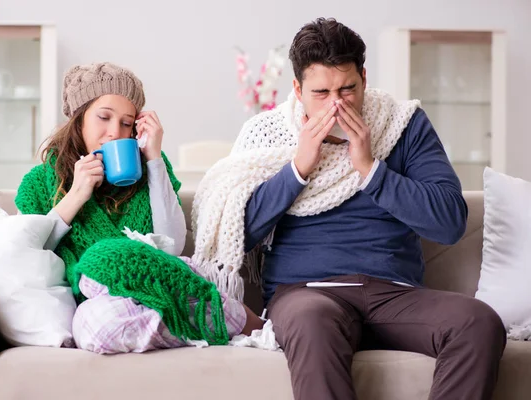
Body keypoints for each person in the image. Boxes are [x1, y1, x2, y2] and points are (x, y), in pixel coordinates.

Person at [192, 18, 506, 400]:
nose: (337, 104)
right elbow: (237, 233)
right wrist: (297, 169)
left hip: (396, 295)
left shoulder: (402, 125)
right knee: (312, 322)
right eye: (321, 92)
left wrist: (372, 170)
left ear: (364, 78)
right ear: (297, 89)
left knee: (480, 322)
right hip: (307, 294)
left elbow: (450, 222)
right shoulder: (268, 135)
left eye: (348, 88)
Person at [15, 62, 263, 354]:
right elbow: (28, 253)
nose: (114, 133)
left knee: (124, 261)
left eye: (126, 123)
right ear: (79, 119)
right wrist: (76, 195)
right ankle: (227, 320)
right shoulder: (39, 183)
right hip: (104, 301)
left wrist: (154, 158)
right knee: (95, 324)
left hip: (155, 283)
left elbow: (172, 246)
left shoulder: (150, 168)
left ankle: (216, 317)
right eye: (104, 118)